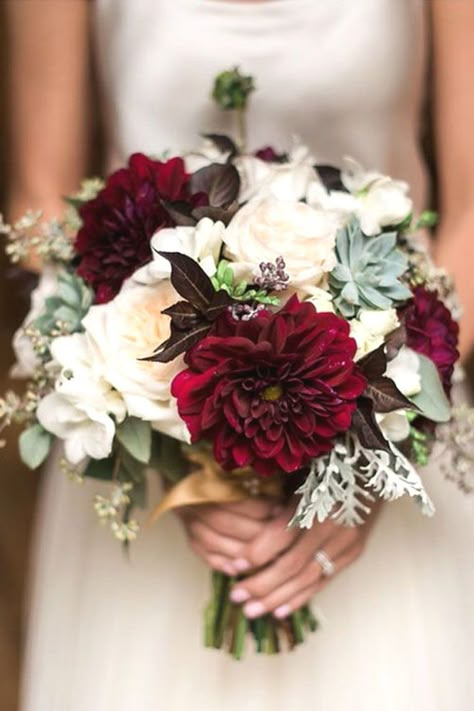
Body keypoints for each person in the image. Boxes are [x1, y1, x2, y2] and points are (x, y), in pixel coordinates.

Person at [5, 1, 474, 709]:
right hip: (147, 466)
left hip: (397, 418)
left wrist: (372, 454)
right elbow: (42, 202)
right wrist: (156, 444)